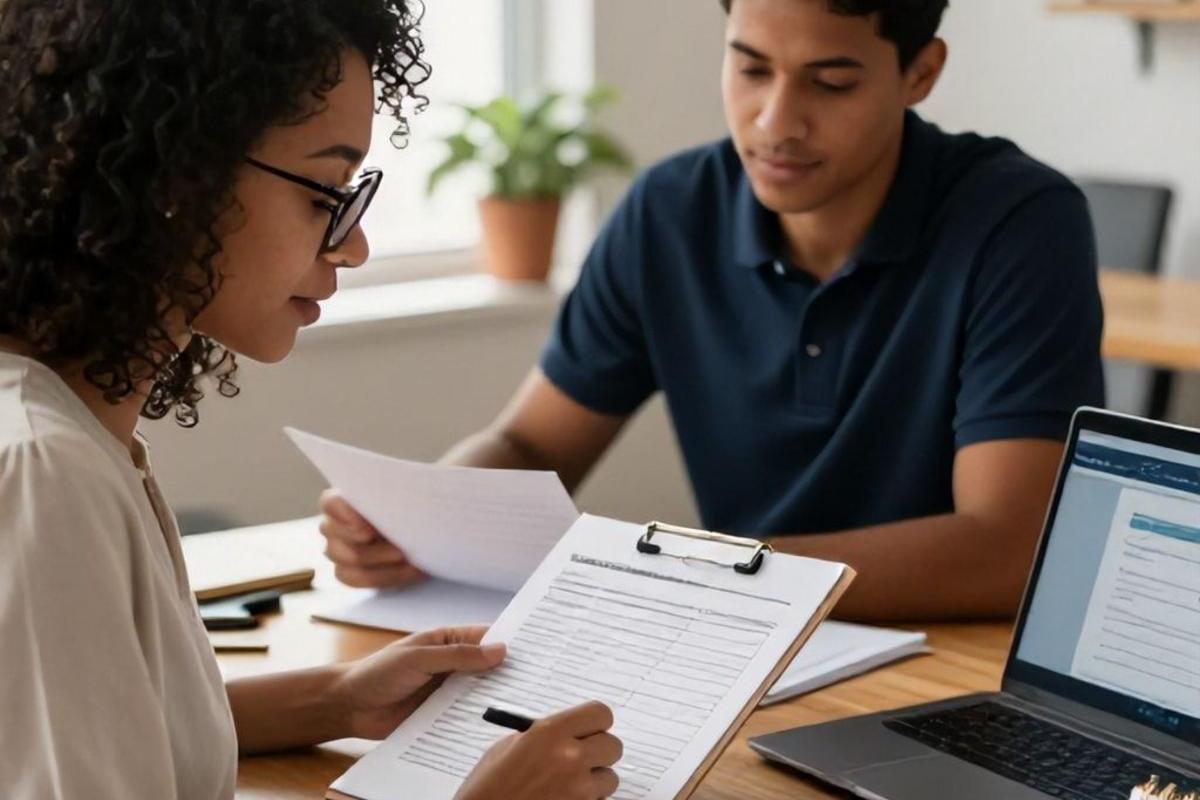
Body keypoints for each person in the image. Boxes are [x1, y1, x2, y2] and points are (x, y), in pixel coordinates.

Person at [0, 1, 620, 798]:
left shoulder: (73, 428)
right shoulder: (44, 469)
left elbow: (102, 719)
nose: (354, 245)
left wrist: (337, 698)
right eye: (325, 194)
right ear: (174, 176)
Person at [318, 0, 1106, 622]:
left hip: (944, 668)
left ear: (920, 73)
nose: (775, 122)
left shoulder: (1018, 222)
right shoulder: (669, 212)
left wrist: (712, 574)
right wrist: (426, 522)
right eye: (751, 68)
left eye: (831, 83)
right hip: (738, 640)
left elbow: (1010, 548)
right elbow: (529, 442)